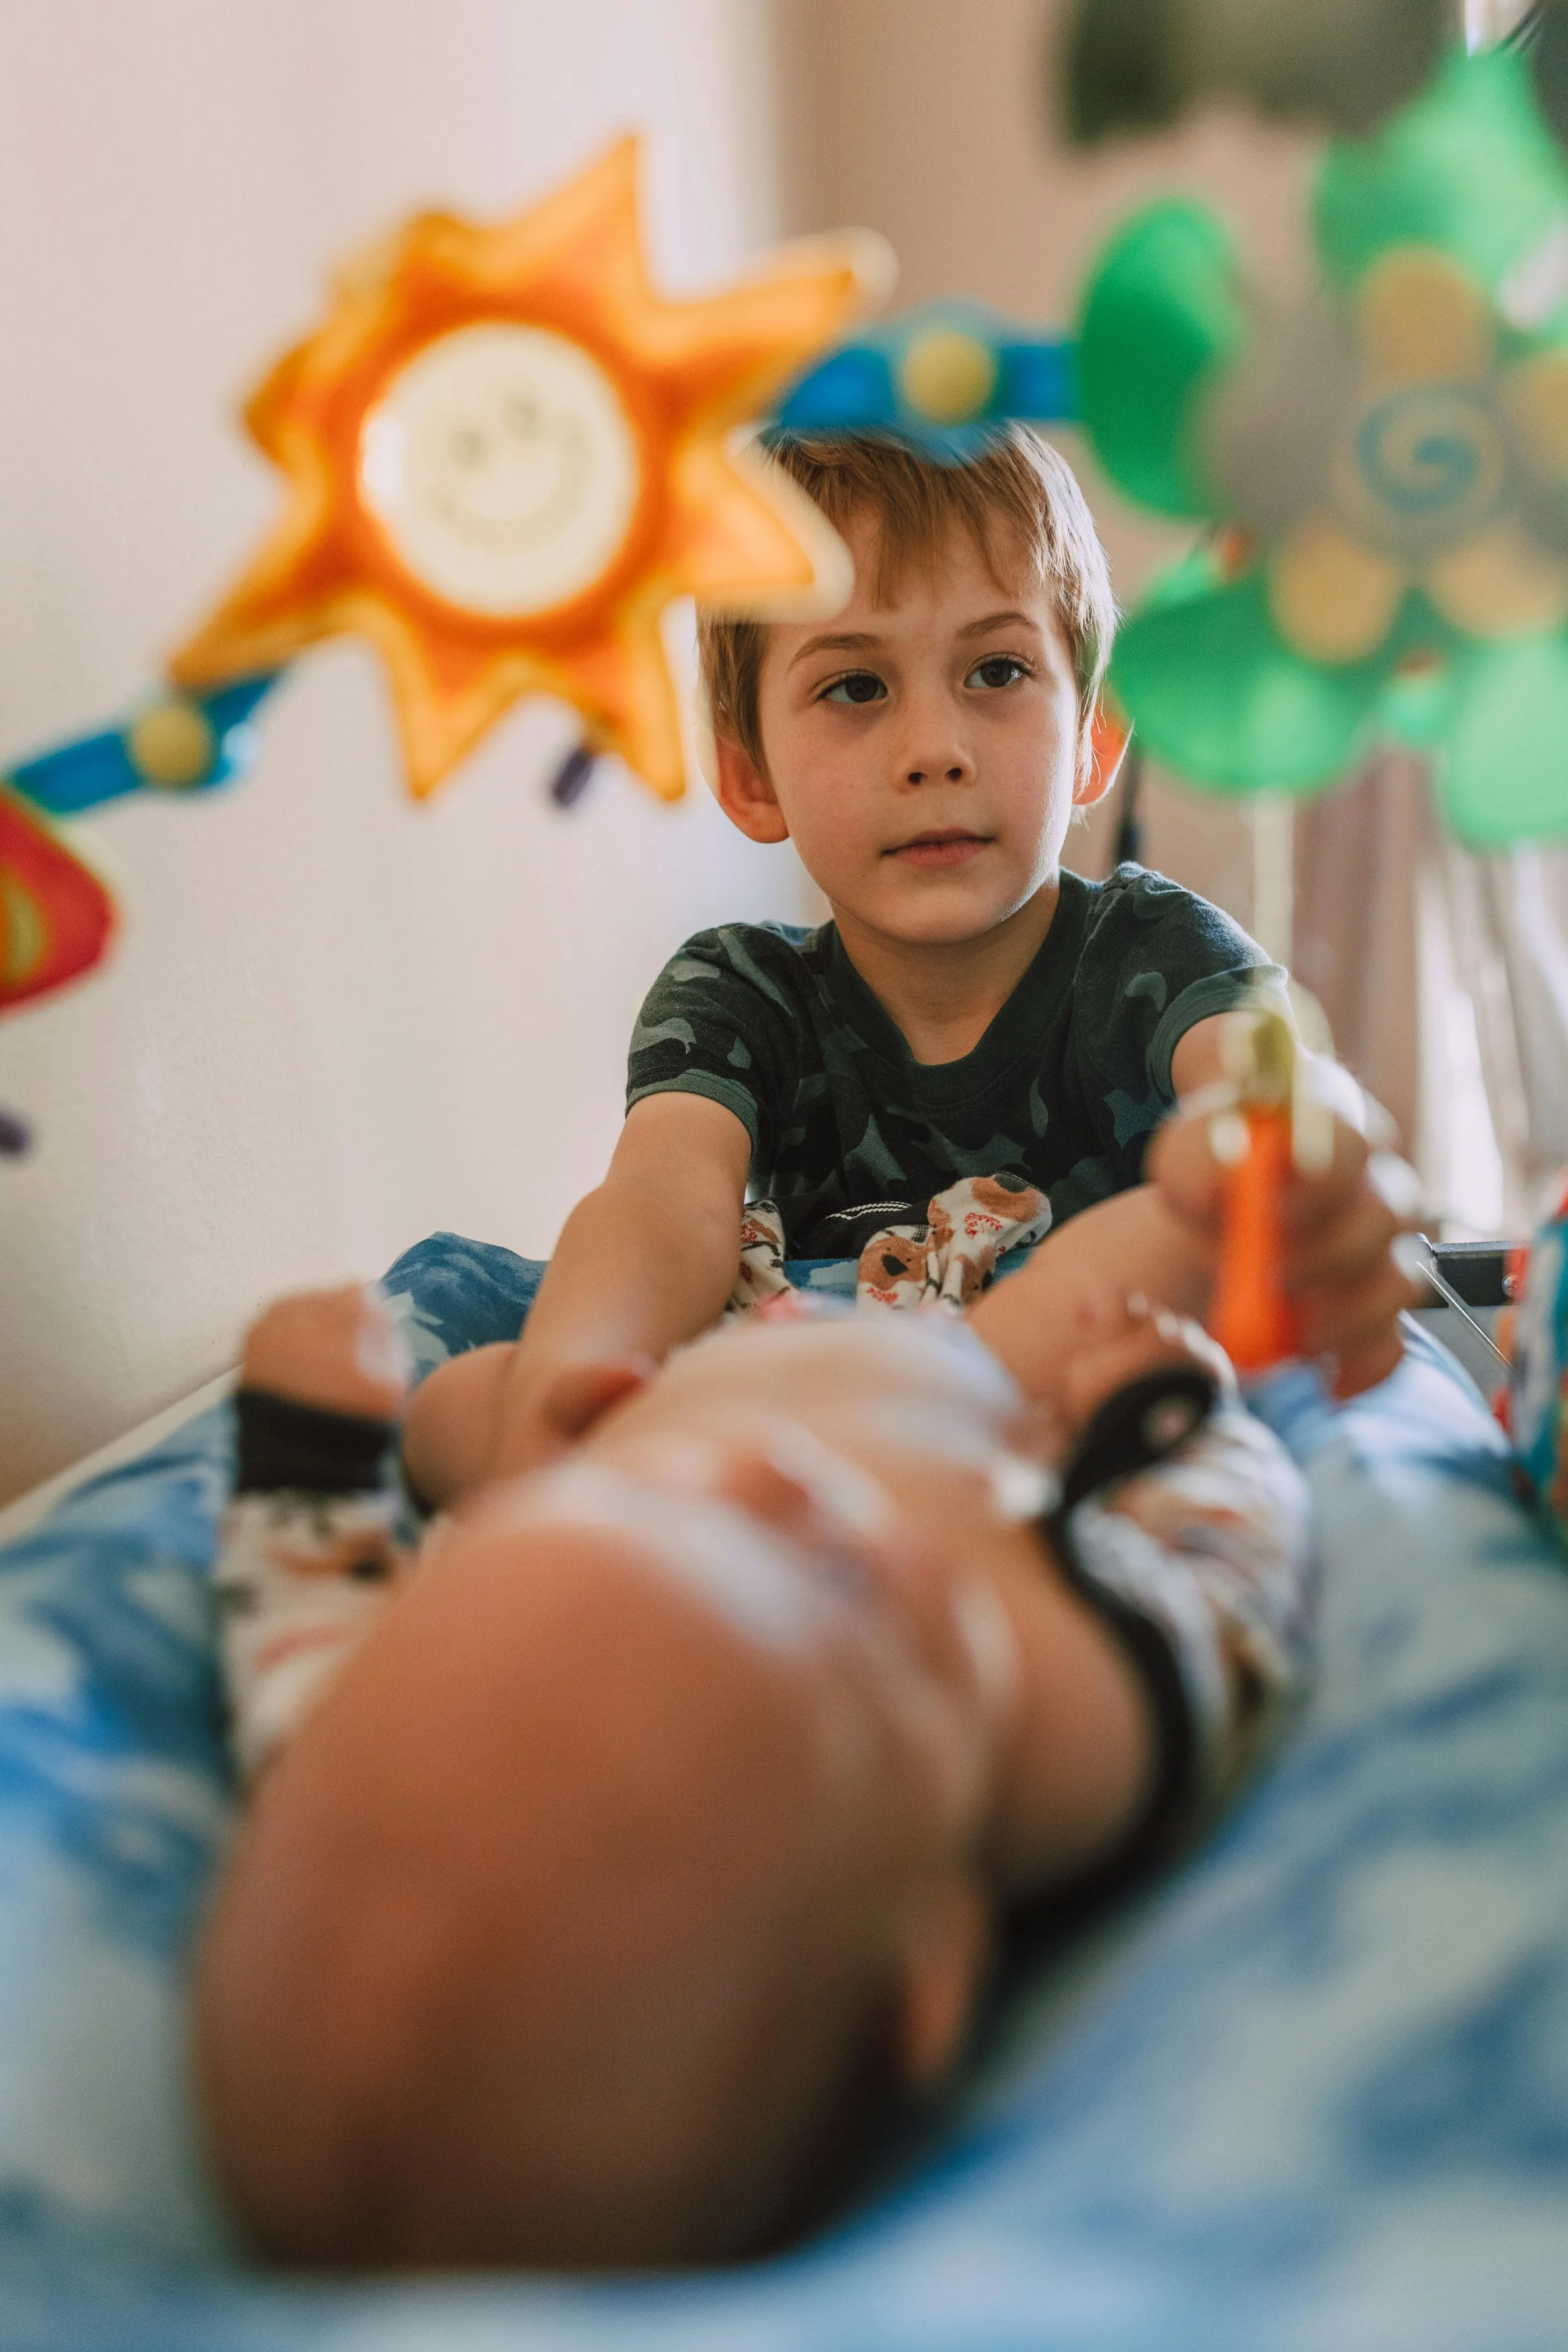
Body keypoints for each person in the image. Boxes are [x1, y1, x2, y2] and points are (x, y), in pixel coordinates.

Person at [193, 1103, 1415, 2273]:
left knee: (458, 1411)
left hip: (596, 1427)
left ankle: (555, 1467)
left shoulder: (376, 1778)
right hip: (951, 1391)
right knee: (1097, 1294)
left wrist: (306, 1469)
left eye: (677, 1502)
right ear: (927, 1972)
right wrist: (1162, 1412)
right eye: (835, 1585)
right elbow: (1225, 1559)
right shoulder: (1086, 1724)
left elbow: (303, 1653)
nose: (774, 1478)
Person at [419, 428, 1407, 1502]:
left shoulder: (1154, 952)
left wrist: (1291, 1161)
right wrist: (572, 1384)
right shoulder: (739, 992)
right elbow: (663, 1203)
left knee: (1192, 1227)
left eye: (997, 670)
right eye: (855, 688)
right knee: (453, 1401)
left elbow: (1274, 1094)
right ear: (750, 775)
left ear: (1091, 735)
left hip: (1059, 1395)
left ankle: (923, 1421)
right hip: (796, 1414)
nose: (935, 747)